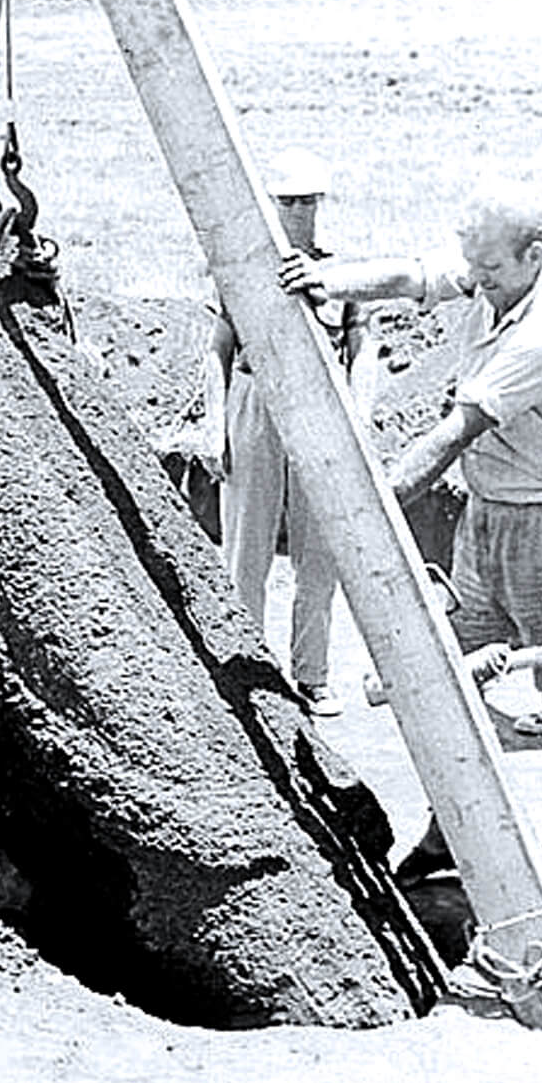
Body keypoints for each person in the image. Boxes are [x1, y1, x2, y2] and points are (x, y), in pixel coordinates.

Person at [281, 181, 542, 878]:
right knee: (454, 687)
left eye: (491, 273)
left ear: (534, 256)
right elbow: (411, 275)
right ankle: (442, 835)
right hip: (489, 510)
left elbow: (453, 434)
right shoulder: (499, 275)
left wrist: (363, 508)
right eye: (476, 270)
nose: (478, 284)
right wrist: (327, 281)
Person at [200, 147, 380, 718]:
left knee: (319, 550)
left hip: (321, 406)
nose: (299, 212)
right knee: (245, 544)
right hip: (256, 399)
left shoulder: (342, 272)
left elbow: (364, 349)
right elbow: (218, 351)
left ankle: (313, 676)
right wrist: (212, 424)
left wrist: (358, 421)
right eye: (289, 201)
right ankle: (247, 667)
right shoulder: (241, 265)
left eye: (308, 201)